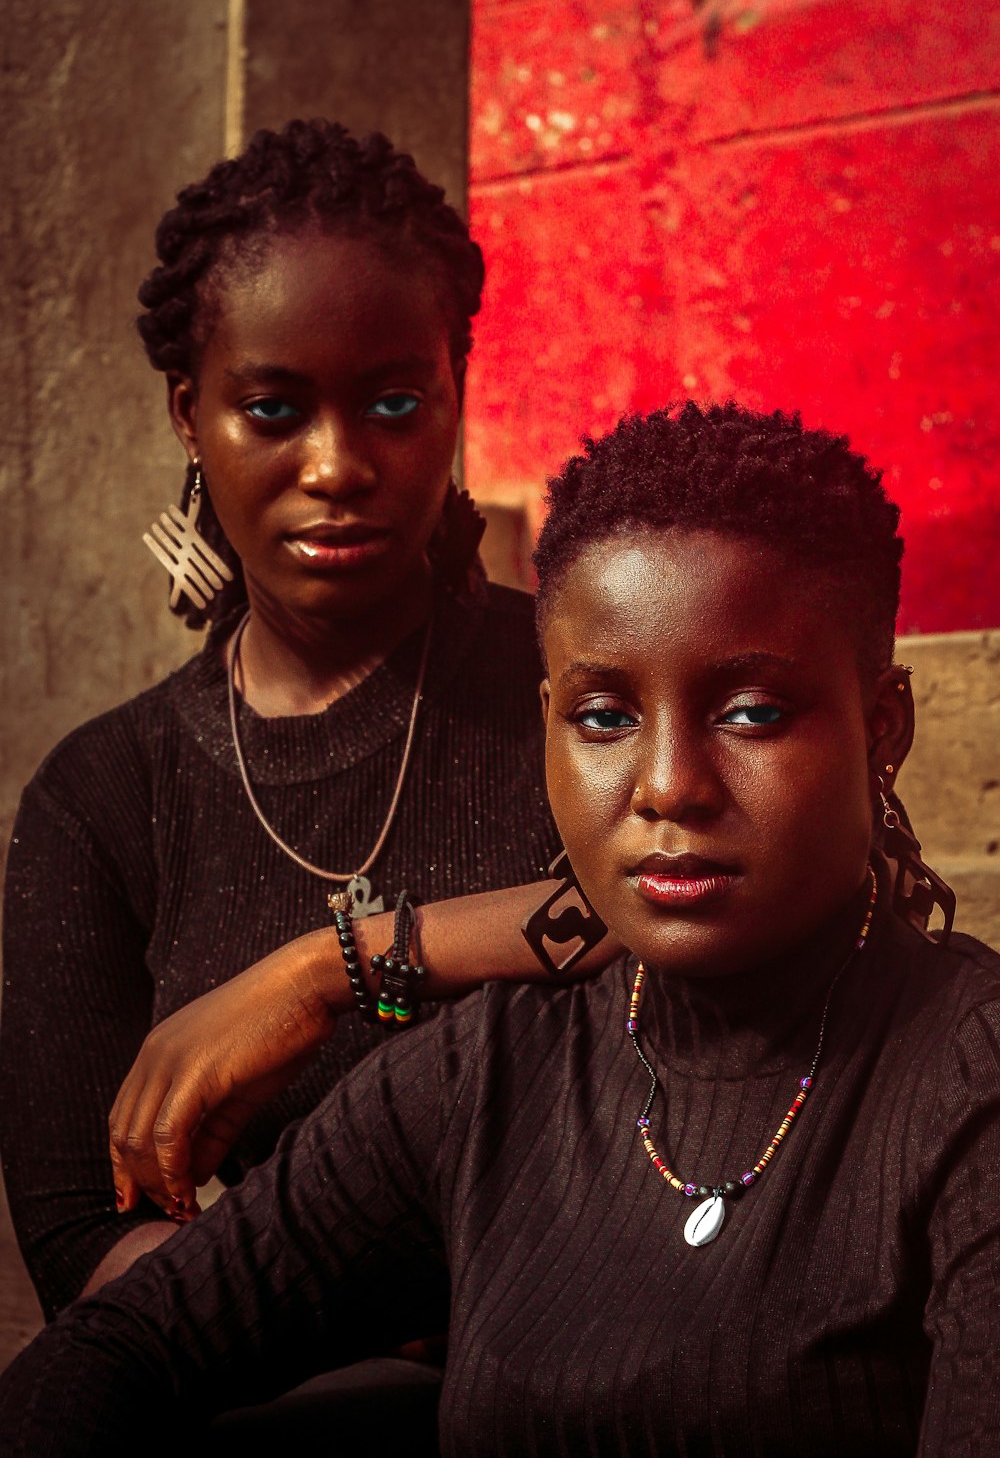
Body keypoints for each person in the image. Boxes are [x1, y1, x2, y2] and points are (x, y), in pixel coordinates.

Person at [3, 401, 997, 1455]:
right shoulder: (485, 1074)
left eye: (750, 711)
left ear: (880, 727)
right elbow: (119, 1348)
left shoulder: (966, 1085)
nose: (666, 787)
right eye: (605, 717)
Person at [0, 118, 594, 1324]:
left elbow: (721, 908)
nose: (338, 464)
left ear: (454, 394)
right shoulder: (107, 793)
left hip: (602, 1351)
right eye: (273, 410)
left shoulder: (581, 680)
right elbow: (80, 1229)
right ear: (189, 415)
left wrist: (336, 968)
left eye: (392, 401)